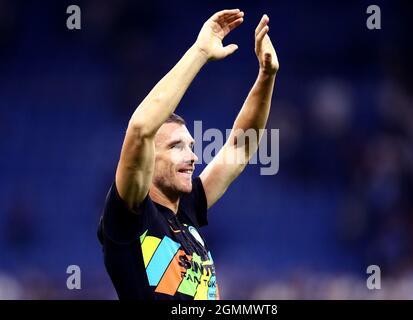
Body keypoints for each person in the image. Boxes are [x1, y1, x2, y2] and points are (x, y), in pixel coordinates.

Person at [97, 8, 279, 300]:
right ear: (146, 160)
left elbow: (240, 146)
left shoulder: (187, 210)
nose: (193, 157)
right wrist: (200, 52)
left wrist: (266, 76)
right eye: (175, 146)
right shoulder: (130, 216)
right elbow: (141, 127)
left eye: (192, 147)